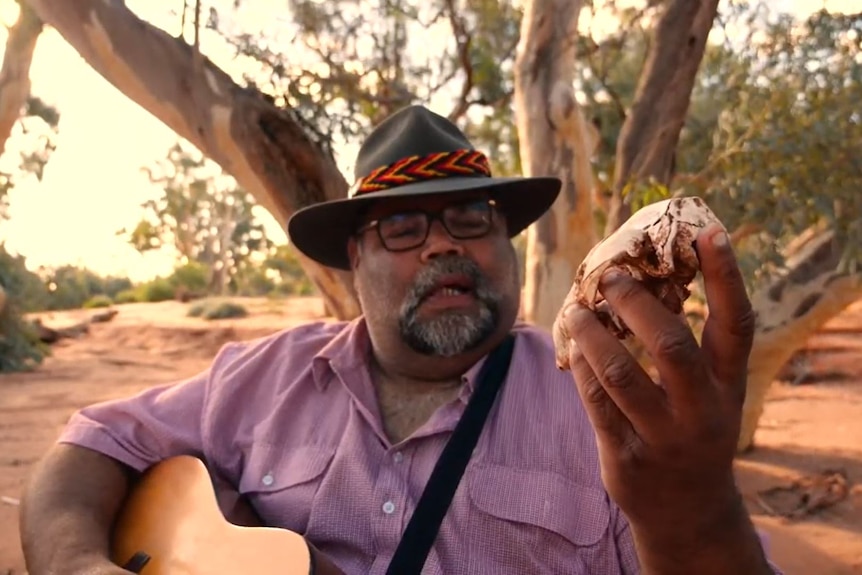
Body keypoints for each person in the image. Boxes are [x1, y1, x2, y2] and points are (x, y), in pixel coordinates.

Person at [19, 105, 782, 575]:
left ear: (510, 245)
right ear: (355, 257)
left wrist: (697, 515)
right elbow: (93, 440)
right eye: (403, 227)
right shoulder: (260, 376)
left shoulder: (606, 410)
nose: (442, 247)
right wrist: (78, 563)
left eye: (472, 219)